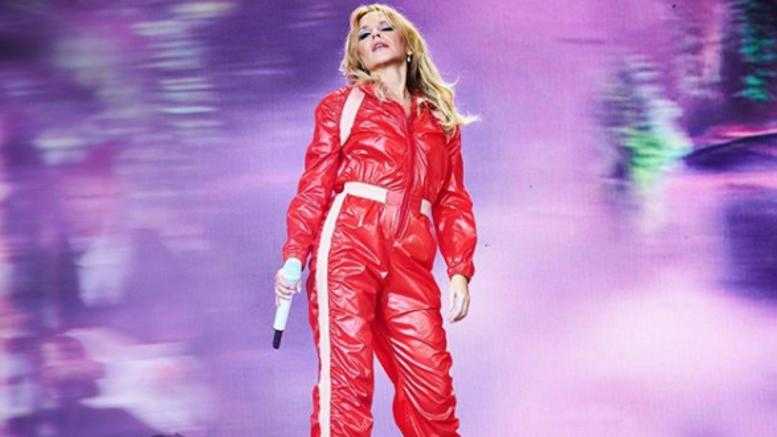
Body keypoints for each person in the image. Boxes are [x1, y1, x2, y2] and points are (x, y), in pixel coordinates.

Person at [275, 4, 478, 436]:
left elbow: (452, 199)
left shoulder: (439, 119)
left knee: (433, 394)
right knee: (347, 384)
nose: (376, 36)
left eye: (386, 28)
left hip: (411, 257)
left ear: (408, 44)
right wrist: (294, 256)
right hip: (350, 244)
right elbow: (314, 186)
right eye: (365, 35)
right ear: (358, 56)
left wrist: (459, 269)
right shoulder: (341, 107)